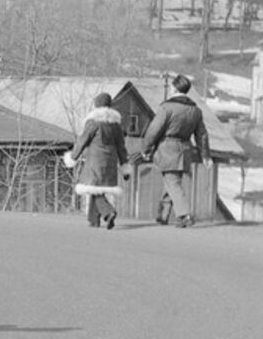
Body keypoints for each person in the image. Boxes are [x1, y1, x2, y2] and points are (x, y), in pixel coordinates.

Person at [140, 73, 210, 228]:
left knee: (172, 183)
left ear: (174, 87)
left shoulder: (166, 107)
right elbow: (202, 135)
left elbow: (153, 130)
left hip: (167, 148)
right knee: (172, 181)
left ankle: (185, 215)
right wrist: (205, 155)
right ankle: (163, 215)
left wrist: (146, 148)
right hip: (185, 149)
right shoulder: (195, 111)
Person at [63, 92, 128, 229]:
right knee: (97, 188)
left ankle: (108, 212)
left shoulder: (93, 123)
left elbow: (82, 141)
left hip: (95, 160)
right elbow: (121, 146)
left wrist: (73, 157)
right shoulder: (116, 125)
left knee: (94, 188)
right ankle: (93, 220)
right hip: (110, 161)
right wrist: (124, 165)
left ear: (96, 105)